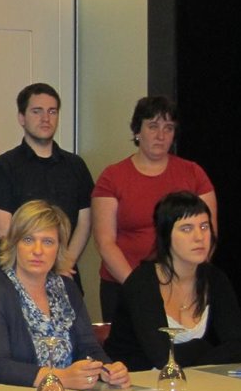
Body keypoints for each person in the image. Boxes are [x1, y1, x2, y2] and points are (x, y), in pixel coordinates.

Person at [0, 200, 130, 389]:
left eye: (47, 242)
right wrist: (58, 377)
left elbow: (89, 348)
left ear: (59, 248)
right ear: (14, 243)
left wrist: (107, 369)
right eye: (28, 240)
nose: (38, 251)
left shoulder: (67, 288)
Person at [91, 96, 217, 319]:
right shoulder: (112, 177)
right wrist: (139, 288)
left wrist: (182, 283)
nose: (161, 135)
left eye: (168, 128)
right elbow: (105, 242)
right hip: (124, 284)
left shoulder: (194, 174)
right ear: (137, 131)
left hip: (182, 287)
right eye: (153, 126)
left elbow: (208, 233)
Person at [105, 192, 241, 371]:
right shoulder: (142, 283)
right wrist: (202, 347)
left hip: (192, 379)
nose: (199, 237)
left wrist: (198, 356)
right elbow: (162, 357)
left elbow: (240, 347)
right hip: (134, 380)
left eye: (204, 226)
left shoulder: (215, 278)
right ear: (165, 235)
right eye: (186, 229)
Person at [0, 83, 94, 289]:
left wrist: (64, 263)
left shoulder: (75, 166)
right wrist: (34, 267)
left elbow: (85, 222)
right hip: (16, 277)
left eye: (52, 111)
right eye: (37, 111)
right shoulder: (4, 166)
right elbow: (2, 229)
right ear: (21, 118)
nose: (46, 118)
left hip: (64, 274)